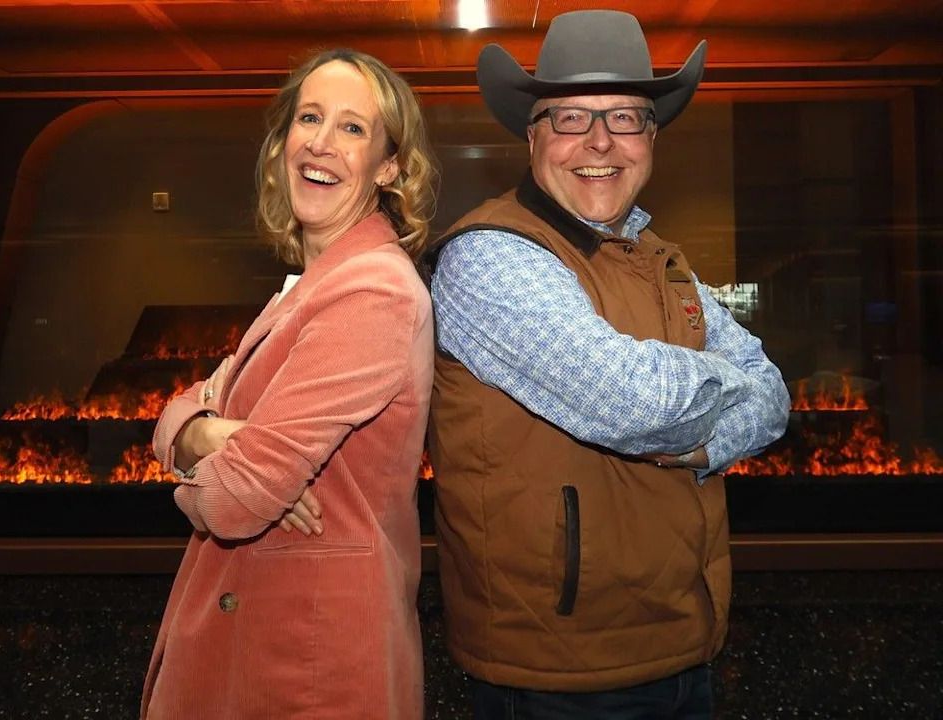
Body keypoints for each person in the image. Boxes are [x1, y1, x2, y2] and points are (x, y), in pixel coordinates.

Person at [426, 10, 791, 719]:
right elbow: (636, 405)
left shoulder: (661, 258)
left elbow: (775, 397)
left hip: (686, 638)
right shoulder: (490, 256)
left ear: (652, 139)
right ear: (531, 137)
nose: (599, 142)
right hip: (560, 672)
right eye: (570, 119)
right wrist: (713, 399)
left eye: (625, 116)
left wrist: (699, 432)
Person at [140, 48, 438, 720]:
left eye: (353, 128)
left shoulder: (374, 289)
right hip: (266, 642)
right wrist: (204, 431)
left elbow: (233, 502)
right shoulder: (308, 287)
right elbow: (182, 410)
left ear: (389, 167)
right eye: (310, 118)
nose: (322, 143)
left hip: (307, 669)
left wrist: (206, 457)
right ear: (283, 144)